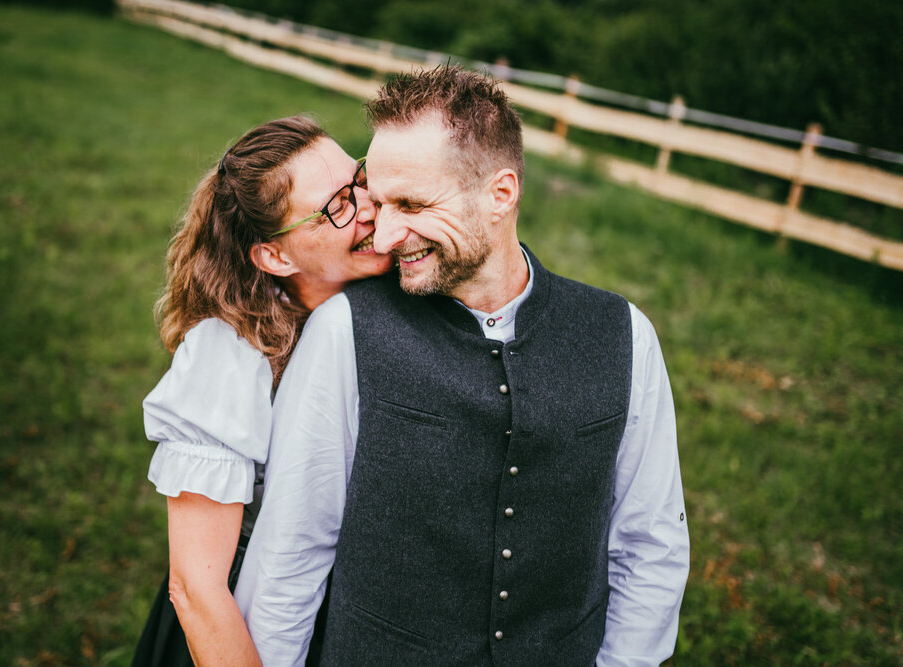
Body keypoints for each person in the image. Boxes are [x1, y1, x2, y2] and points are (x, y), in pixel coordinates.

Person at [235, 67, 690, 665]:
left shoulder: (623, 335)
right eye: (379, 199)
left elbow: (649, 547)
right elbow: (289, 556)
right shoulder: (345, 333)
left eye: (413, 203)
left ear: (500, 194)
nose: (387, 233)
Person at [131, 115, 391, 666]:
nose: (368, 206)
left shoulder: (391, 310)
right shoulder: (230, 355)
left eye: (361, 180)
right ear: (277, 257)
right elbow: (197, 591)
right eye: (337, 205)